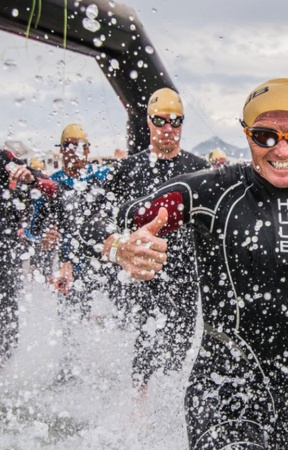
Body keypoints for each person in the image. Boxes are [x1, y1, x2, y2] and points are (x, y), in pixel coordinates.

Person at [82, 78, 288, 449]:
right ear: (247, 135)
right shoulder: (213, 189)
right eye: (266, 136)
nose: (282, 150)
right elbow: (100, 217)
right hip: (223, 390)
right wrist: (117, 246)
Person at [92, 87, 209, 395]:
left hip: (186, 271)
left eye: (176, 121)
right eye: (160, 121)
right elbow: (93, 214)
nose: (168, 129)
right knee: (147, 332)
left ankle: (167, 402)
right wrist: (114, 245)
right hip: (143, 268)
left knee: (181, 338)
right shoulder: (127, 169)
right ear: (148, 122)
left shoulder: (199, 169)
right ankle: (139, 403)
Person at [29, 123, 110, 380]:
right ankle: (69, 378)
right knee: (71, 329)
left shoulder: (100, 178)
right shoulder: (52, 185)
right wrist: (44, 239)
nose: (73, 151)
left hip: (103, 267)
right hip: (69, 270)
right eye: (68, 145)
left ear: (88, 150)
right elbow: (32, 229)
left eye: (79, 145)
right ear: (61, 151)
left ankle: (106, 377)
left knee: (109, 326)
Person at [0, 148, 56, 367]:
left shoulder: (4, 158)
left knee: (6, 310)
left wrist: (29, 176)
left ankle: (4, 364)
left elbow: (39, 178)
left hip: (4, 250)